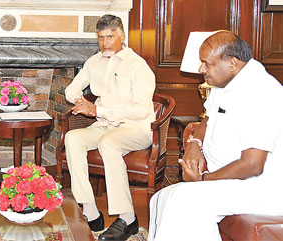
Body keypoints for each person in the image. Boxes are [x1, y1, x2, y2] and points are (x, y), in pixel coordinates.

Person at [148, 31, 283, 241]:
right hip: (230, 180)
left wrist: (203, 180)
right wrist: (194, 144)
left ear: (232, 63)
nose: (201, 69)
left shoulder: (261, 93)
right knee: (160, 198)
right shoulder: (225, 83)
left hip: (259, 187)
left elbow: (253, 165)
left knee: (184, 200)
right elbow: (208, 119)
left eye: (207, 64)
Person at [63, 14, 155, 240]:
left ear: (122, 35)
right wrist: (81, 103)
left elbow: (141, 110)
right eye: (101, 37)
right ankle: (91, 213)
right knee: (73, 138)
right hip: (105, 125)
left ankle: (128, 218)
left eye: (110, 37)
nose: (105, 42)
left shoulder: (138, 66)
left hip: (135, 128)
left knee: (109, 143)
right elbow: (71, 90)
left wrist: (97, 110)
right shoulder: (93, 62)